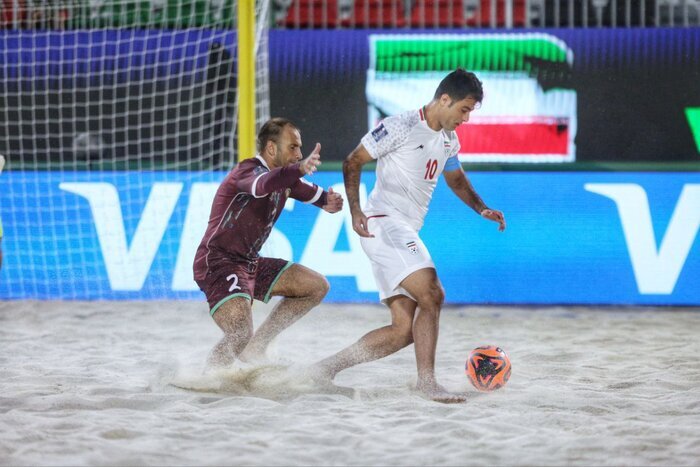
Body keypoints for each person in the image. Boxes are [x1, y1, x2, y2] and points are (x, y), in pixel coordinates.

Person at [310, 69, 506, 403]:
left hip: (402, 231)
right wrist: (356, 211)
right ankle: (427, 383)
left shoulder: (449, 140)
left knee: (402, 332)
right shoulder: (399, 125)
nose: (467, 118)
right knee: (432, 293)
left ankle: (322, 370)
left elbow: (456, 180)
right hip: (384, 222)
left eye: (471, 112)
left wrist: (481, 208)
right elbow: (352, 161)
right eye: (464, 109)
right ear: (444, 99)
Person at [193, 117, 343, 368]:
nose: (299, 153)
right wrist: (298, 169)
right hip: (218, 262)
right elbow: (263, 185)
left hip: (250, 263)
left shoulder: (287, 180)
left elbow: (316, 195)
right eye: (293, 147)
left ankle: (257, 348)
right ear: (271, 148)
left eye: (299, 147)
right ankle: (209, 376)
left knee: (316, 286)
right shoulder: (247, 171)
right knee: (239, 333)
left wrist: (330, 201)